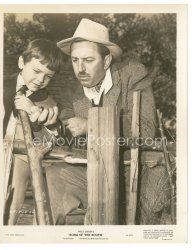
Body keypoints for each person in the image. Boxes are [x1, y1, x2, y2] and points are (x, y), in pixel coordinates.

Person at [46, 18, 171, 225]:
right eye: (75, 60)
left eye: (88, 60)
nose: (80, 69)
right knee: (55, 174)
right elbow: (67, 133)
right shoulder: (71, 92)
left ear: (106, 61)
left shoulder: (132, 75)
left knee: (144, 226)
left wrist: (91, 125)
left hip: (137, 173)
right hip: (94, 174)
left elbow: (147, 129)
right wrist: (53, 126)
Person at [3, 39, 61, 225]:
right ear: (22, 62)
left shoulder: (48, 100)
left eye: (48, 76)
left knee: (11, 209)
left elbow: (54, 135)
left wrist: (35, 114)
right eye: (36, 71)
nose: (40, 80)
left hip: (20, 161)